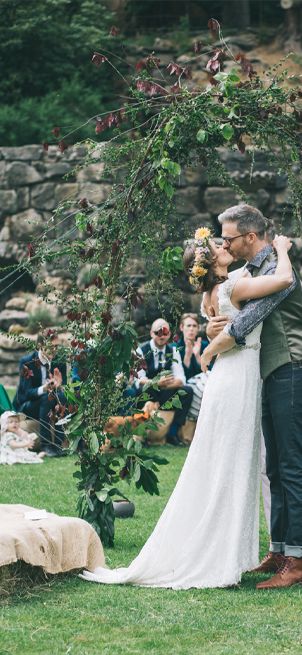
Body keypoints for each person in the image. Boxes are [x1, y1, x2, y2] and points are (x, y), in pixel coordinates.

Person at [80, 226, 292, 589]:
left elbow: (249, 268)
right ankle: (221, 554)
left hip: (230, 378)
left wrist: (212, 337)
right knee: (231, 464)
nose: (226, 245)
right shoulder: (232, 287)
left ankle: (232, 550)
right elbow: (283, 278)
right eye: (218, 245)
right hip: (237, 380)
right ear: (211, 261)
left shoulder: (216, 290)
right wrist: (284, 248)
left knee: (225, 463)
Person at [201, 204, 302, 590]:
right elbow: (230, 306)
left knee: (291, 464)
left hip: (289, 367)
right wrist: (214, 324)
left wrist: (214, 345)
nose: (224, 242)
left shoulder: (279, 268)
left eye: (228, 237)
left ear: (250, 237)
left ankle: (296, 558)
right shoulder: (251, 271)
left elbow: (247, 320)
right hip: (264, 374)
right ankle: (279, 550)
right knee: (273, 466)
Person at [133, 318, 193, 446]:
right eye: (157, 333)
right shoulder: (141, 350)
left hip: (166, 390)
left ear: (169, 334)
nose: (161, 336)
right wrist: (156, 382)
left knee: (187, 391)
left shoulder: (173, 350)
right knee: (141, 391)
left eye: (165, 333)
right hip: (149, 391)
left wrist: (165, 384)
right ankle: (142, 435)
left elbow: (181, 378)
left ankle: (173, 433)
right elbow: (139, 379)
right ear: (151, 333)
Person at [13, 331, 67, 457]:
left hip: (51, 402)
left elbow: (62, 388)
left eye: (57, 347)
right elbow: (25, 394)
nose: (54, 350)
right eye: (51, 347)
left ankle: (59, 444)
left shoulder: (60, 361)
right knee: (46, 398)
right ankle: (46, 445)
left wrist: (59, 387)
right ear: (40, 346)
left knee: (62, 397)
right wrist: (44, 388)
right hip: (28, 405)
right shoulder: (27, 362)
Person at [176, 313, 209, 421]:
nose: (191, 329)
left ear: (198, 328)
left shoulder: (204, 345)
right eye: (188, 326)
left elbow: (209, 371)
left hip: (204, 384)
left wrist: (197, 355)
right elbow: (182, 376)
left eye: (194, 326)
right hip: (187, 387)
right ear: (182, 327)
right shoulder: (175, 347)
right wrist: (188, 355)